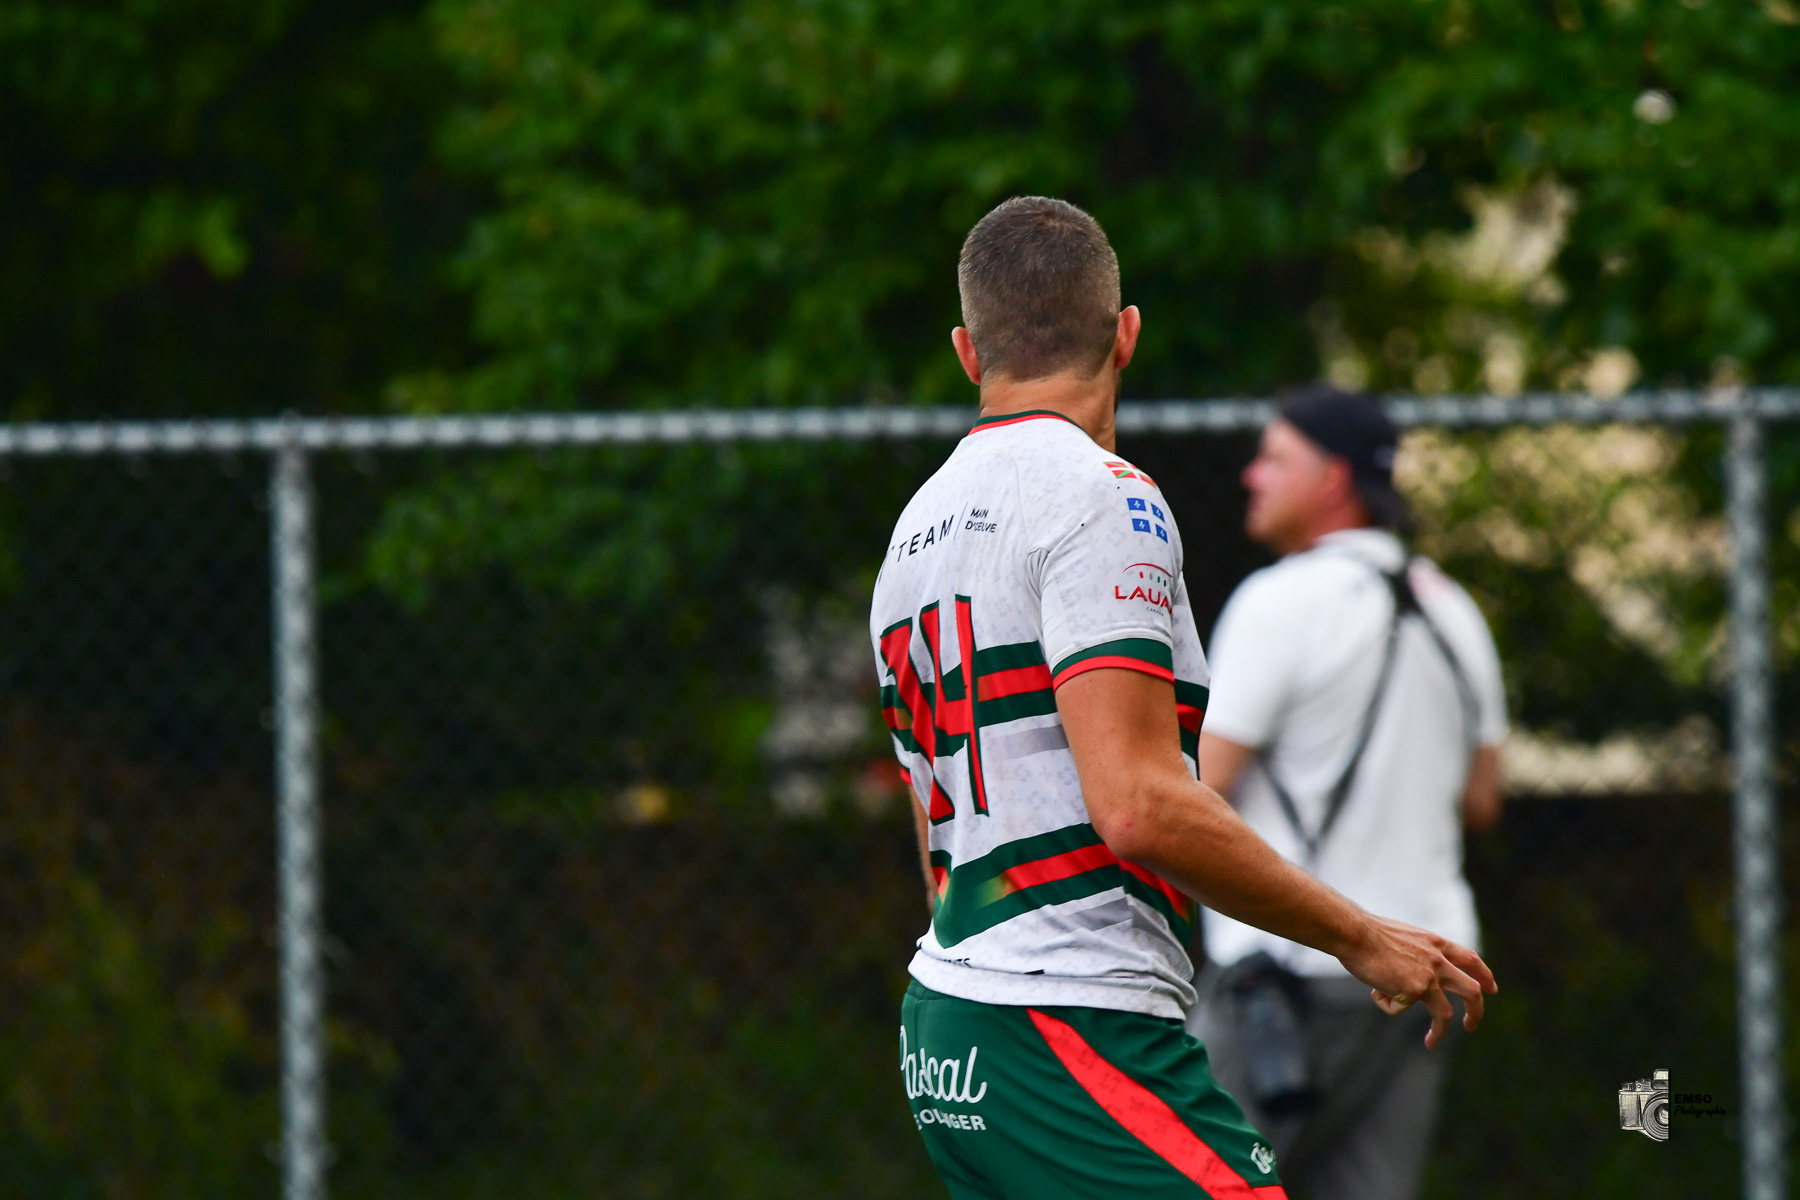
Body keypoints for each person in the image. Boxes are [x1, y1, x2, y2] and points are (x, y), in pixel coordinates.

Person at [869, 196, 1496, 1200]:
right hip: (1065, 1018)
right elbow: (1140, 805)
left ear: (965, 350)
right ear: (1126, 334)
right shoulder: (1103, 496)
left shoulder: (915, 529)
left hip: (953, 1022)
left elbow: (931, 825)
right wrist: (1360, 937)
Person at [1186, 385, 1508, 1200]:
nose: (1251, 476)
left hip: (1294, 967)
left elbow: (1196, 790)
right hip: (1430, 968)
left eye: (1274, 458)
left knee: (1183, 1183)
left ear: (1331, 479)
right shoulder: (1454, 607)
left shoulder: (1281, 600)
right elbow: (1482, 800)